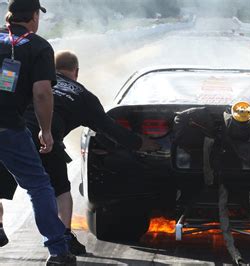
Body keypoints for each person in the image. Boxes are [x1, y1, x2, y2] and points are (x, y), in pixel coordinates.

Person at [0, 50, 159, 255]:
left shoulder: (36, 78)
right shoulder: (83, 96)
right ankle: (64, 235)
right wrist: (140, 143)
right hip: (46, 142)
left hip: (11, 135)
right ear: (76, 71)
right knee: (61, 191)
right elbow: (109, 129)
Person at [0, 0, 75, 265]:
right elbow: (42, 93)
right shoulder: (39, 46)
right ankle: (58, 251)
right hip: (9, 127)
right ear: (34, 16)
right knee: (39, 186)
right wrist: (46, 131)